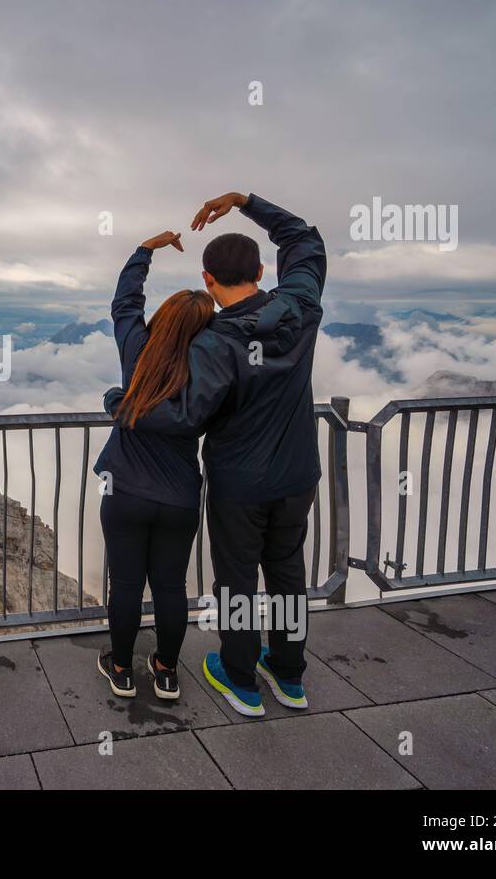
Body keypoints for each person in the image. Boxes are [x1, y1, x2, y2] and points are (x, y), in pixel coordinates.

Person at [110, 191, 326, 717]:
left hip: (240, 481)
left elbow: (186, 415)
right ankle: (289, 674)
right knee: (287, 573)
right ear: (260, 269)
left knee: (238, 580)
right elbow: (304, 239)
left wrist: (123, 403)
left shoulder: (215, 342)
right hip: (297, 473)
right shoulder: (300, 307)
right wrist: (244, 201)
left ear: (208, 280)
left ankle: (240, 677)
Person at [93, 229, 215, 702]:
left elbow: (124, 303)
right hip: (179, 496)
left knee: (124, 583)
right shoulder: (209, 369)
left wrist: (145, 250)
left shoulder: (136, 351)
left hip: (124, 491)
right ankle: (165, 671)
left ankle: (121, 669)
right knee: (169, 584)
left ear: (161, 318)